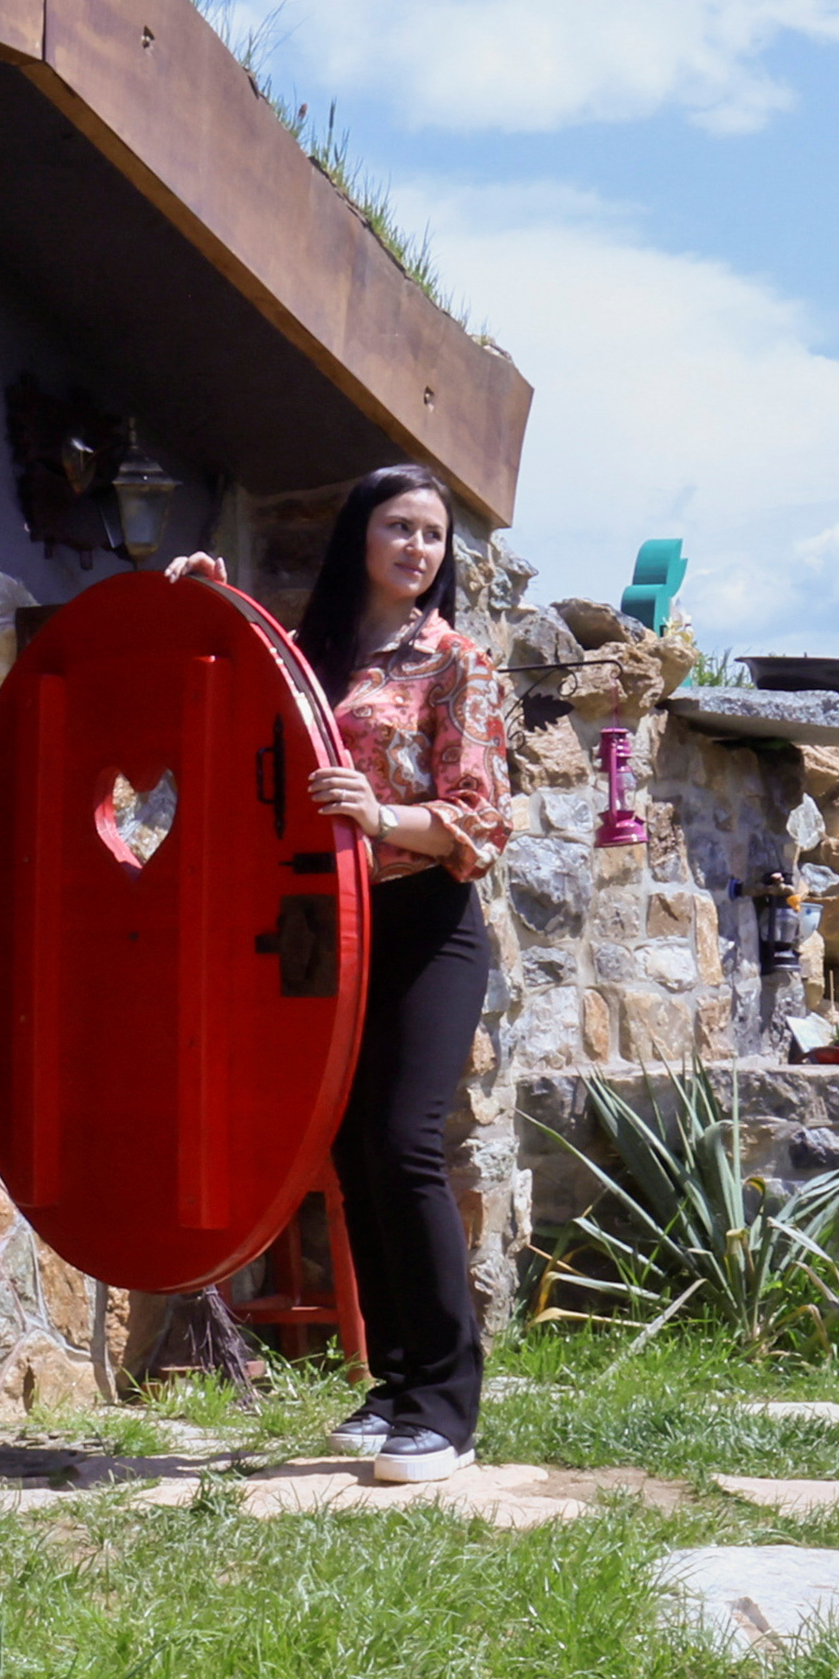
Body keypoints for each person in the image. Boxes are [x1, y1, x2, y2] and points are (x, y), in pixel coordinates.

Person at [170, 470, 507, 1480]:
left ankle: (448, 1407)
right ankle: (397, 1385)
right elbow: (243, 694)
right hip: (332, 924)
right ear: (358, 533)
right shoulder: (314, 657)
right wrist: (210, 599)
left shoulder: (456, 662)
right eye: (399, 527)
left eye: (434, 535)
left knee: (402, 1146)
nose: (418, 549)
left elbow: (483, 821)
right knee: (356, 1155)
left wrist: (380, 815)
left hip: (426, 920)